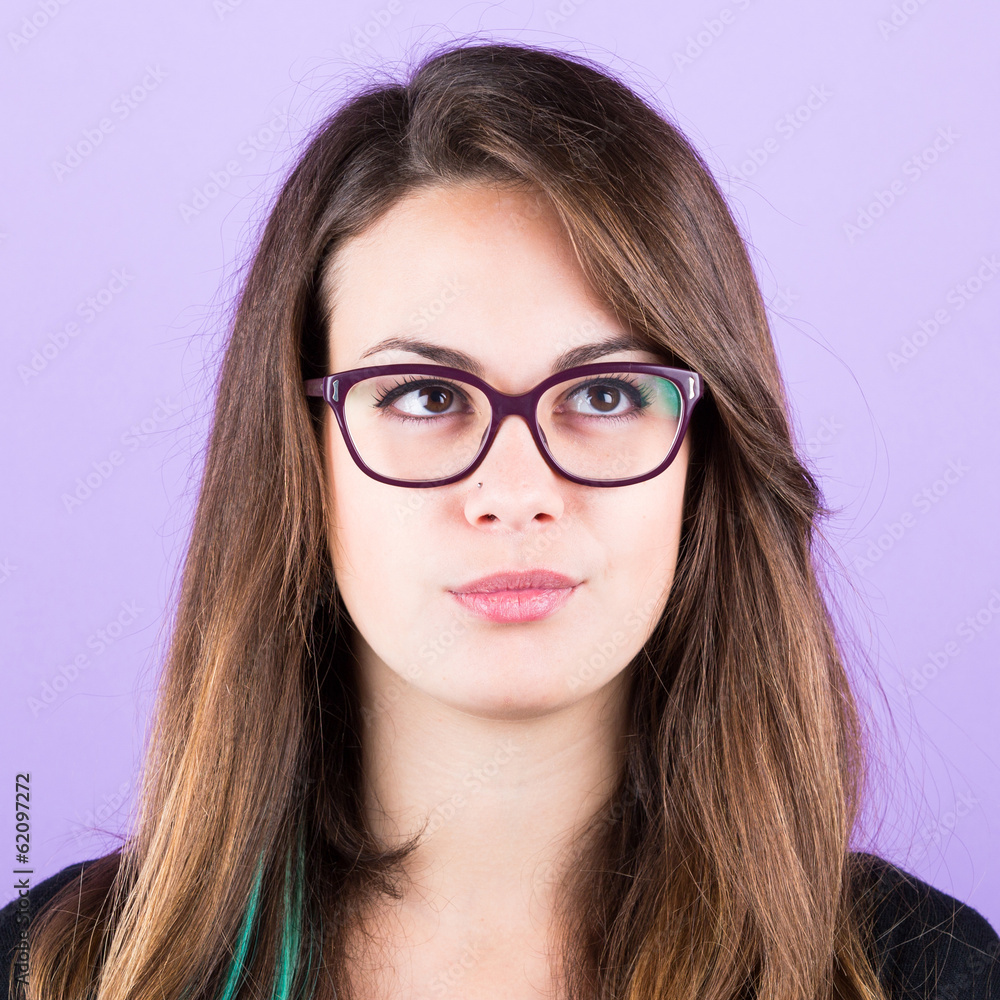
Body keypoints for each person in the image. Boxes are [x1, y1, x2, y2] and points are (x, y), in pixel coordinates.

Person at [2, 40, 997, 1000]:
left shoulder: (923, 972)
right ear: (301, 460)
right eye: (426, 397)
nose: (515, 489)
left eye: (604, 394)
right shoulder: (56, 970)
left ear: (706, 458)